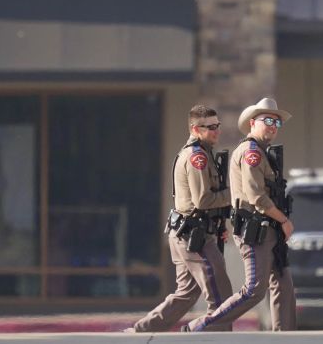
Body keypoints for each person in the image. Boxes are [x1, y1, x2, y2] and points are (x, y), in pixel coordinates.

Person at [184, 97, 297, 332]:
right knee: (254, 290)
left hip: (269, 228)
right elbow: (257, 197)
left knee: (284, 285)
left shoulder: (264, 152)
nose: (273, 126)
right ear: (253, 123)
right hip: (256, 230)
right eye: (268, 120)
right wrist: (284, 220)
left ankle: (285, 336)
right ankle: (200, 326)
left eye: (277, 122)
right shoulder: (251, 152)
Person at [127, 105, 233, 332]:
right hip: (195, 237)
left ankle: (140, 331)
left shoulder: (202, 153)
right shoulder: (197, 157)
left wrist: (220, 223)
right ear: (195, 129)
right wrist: (236, 193)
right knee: (222, 298)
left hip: (188, 233)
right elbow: (203, 200)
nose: (216, 131)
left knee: (186, 294)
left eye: (217, 126)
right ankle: (197, 331)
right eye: (210, 127)